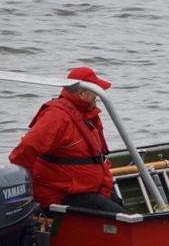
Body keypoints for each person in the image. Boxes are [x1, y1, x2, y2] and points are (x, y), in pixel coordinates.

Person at [9, 66, 126, 212]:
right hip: (61, 195)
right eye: (95, 92)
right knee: (122, 218)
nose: (98, 96)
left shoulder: (83, 114)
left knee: (120, 207)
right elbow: (23, 152)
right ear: (81, 93)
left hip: (84, 190)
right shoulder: (57, 117)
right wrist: (26, 189)